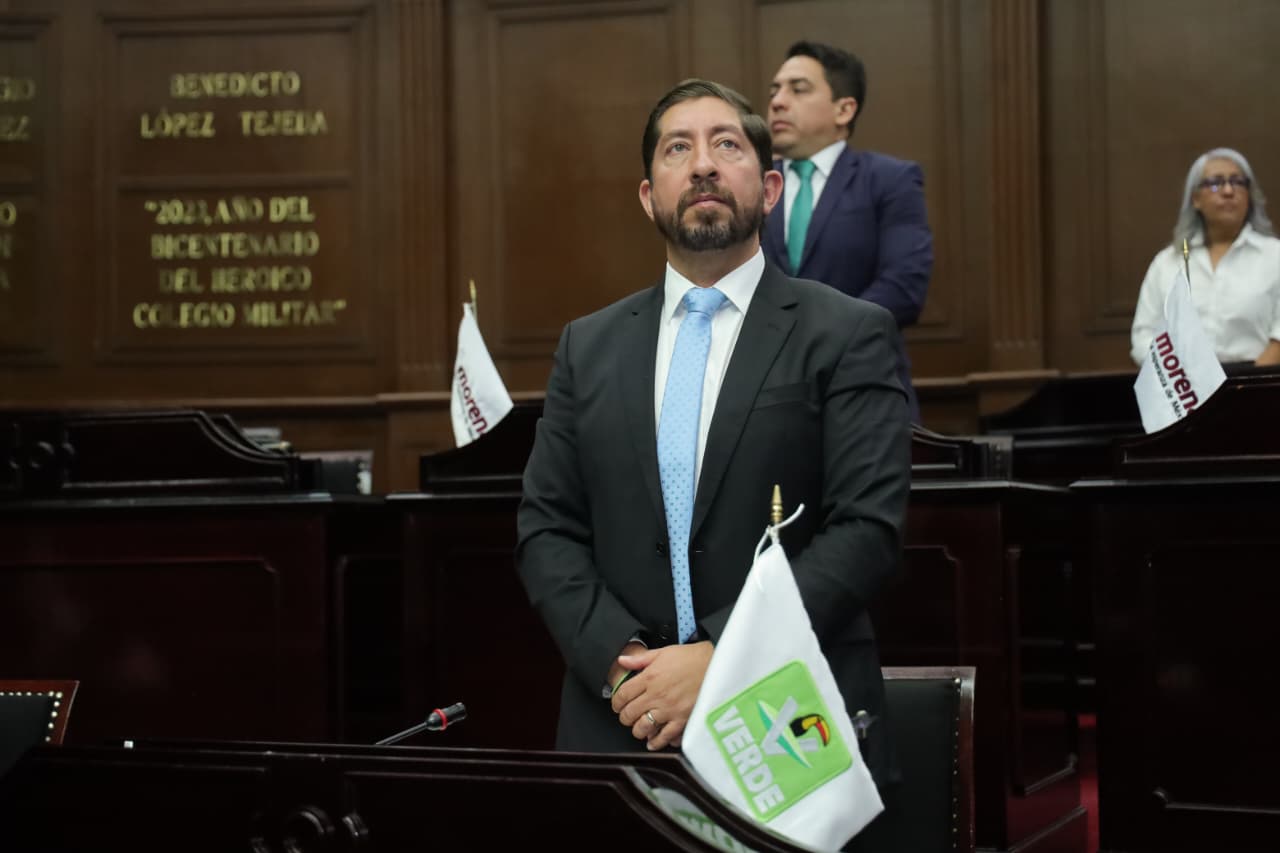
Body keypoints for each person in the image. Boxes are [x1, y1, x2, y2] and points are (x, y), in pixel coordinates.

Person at [515, 78, 910, 849]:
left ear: (769, 189)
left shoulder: (847, 332)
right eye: (677, 148)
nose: (702, 164)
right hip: (622, 723)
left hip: (786, 721)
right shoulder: (587, 347)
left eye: (726, 144)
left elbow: (867, 530)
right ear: (647, 196)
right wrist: (628, 667)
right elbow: (545, 527)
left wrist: (721, 661)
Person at [762, 40, 933, 421]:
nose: (777, 102)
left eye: (798, 89)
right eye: (774, 91)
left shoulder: (889, 180)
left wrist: (818, 340)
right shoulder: (751, 186)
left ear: (844, 109)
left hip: (866, 394)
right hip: (770, 404)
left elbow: (904, 287)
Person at [1130, 147, 1280, 367]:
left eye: (1237, 182)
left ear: (1249, 196)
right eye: (1216, 182)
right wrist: (1181, 377)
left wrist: (1250, 381)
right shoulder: (1167, 263)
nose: (1228, 191)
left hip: (1257, 379)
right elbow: (1143, 337)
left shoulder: (1274, 256)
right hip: (1181, 381)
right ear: (1195, 199)